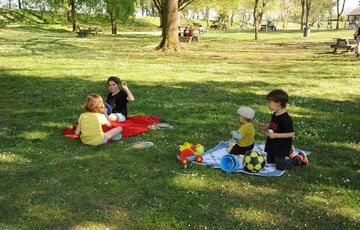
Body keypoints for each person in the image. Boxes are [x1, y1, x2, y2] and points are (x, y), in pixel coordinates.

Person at [258, 89, 308, 170]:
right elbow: (276, 126)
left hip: (281, 146)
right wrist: (267, 126)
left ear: (278, 103)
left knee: (280, 166)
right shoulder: (275, 114)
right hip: (272, 144)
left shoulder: (286, 119)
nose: (268, 104)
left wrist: (275, 135)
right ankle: (290, 151)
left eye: (269, 102)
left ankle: (299, 158)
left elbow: (291, 133)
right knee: (270, 162)